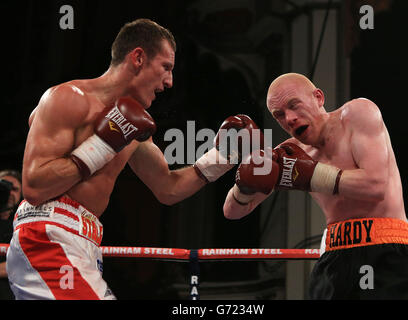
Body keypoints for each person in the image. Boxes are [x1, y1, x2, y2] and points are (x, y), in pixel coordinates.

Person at [7, 18, 261, 300]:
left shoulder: (133, 126)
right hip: (48, 235)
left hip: (82, 243)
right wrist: (103, 145)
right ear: (138, 57)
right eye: (166, 67)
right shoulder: (67, 99)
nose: (169, 82)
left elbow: (168, 188)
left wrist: (226, 155)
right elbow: (34, 186)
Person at [223, 73, 408, 299]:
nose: (290, 118)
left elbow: (375, 186)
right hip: (335, 256)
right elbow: (233, 212)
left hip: (387, 249)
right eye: (279, 115)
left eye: (294, 105)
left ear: (318, 98)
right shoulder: (289, 154)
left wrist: (312, 174)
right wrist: (244, 185)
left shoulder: (357, 114)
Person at [0, 170, 22, 300]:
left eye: (14, 189)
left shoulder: (23, 226)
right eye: (4, 186)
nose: (9, 192)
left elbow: (27, 263)